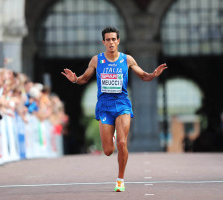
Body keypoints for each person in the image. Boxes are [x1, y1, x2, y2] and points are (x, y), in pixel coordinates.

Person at [61, 26, 167, 192]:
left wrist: (154, 74)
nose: (111, 42)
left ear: (118, 41)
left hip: (122, 104)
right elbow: (84, 79)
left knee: (122, 142)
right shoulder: (96, 60)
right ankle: (113, 134)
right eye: (107, 40)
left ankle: (120, 179)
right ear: (103, 42)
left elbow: (144, 76)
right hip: (104, 106)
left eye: (113, 39)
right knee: (109, 150)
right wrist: (75, 79)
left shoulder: (127, 59)